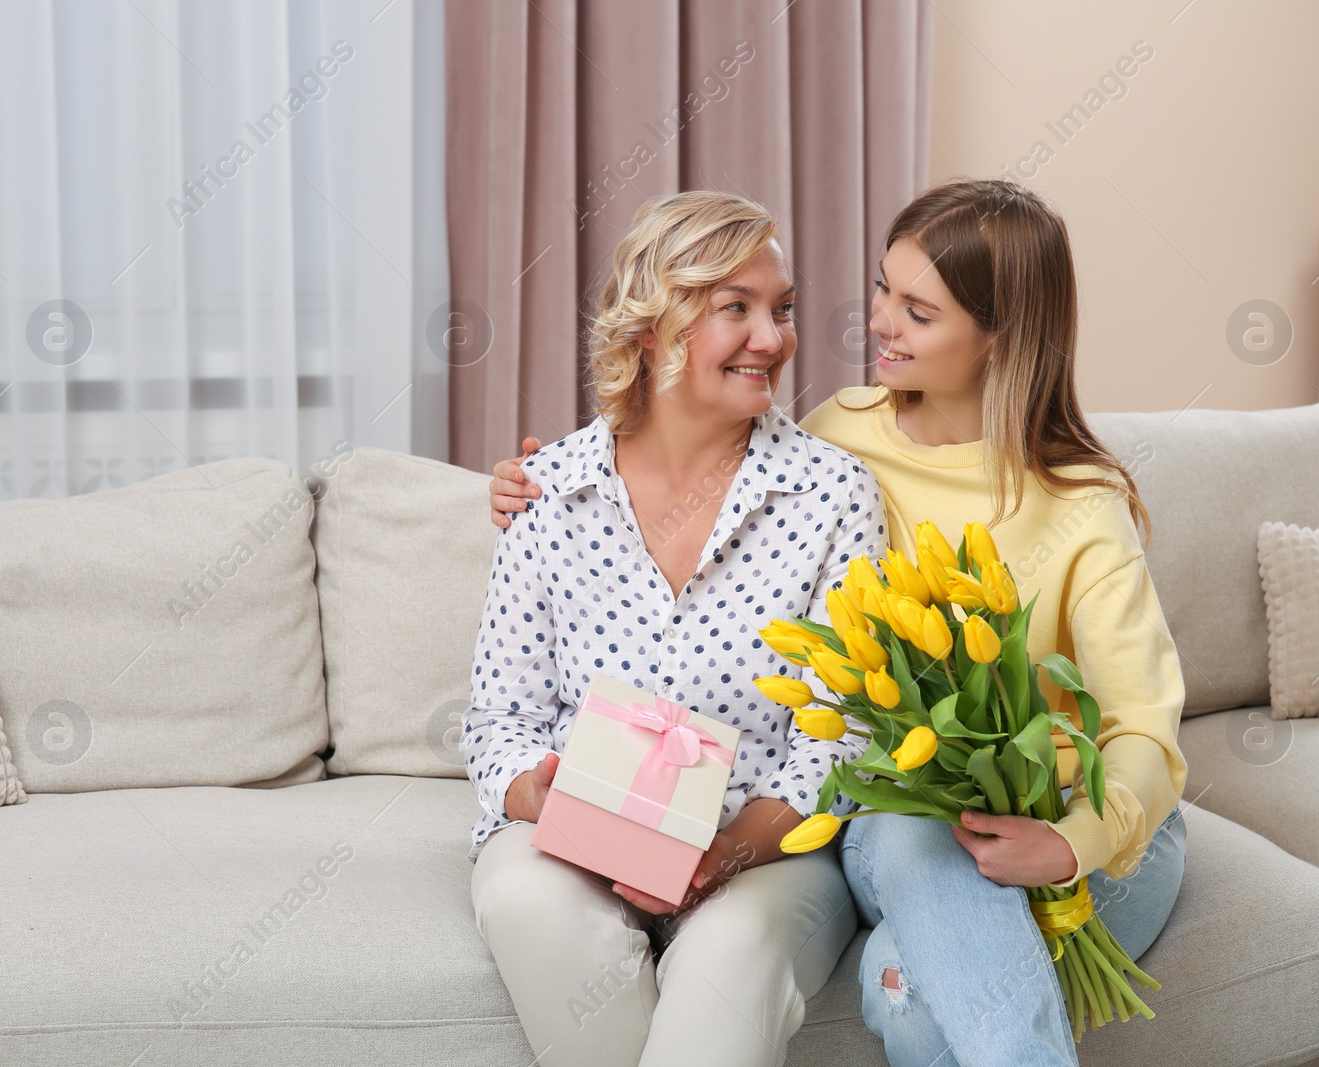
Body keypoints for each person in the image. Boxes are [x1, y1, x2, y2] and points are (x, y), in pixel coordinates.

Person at [485, 177, 1189, 1066]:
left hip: (1079, 820)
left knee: (906, 989)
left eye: (918, 312)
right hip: (922, 822)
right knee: (908, 834)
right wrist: (541, 479)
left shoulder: (1080, 506)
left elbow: (1144, 730)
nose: (880, 324)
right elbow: (683, 440)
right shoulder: (841, 433)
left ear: (996, 339)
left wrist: (1067, 842)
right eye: (883, 290)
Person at [462, 189, 889, 1067]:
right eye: (736, 308)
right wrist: (540, 797)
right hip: (576, 843)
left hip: (768, 850)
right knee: (523, 897)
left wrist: (727, 853)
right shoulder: (550, 491)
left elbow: (843, 736)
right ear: (650, 329)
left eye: (782, 309)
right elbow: (498, 722)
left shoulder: (834, 495)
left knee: (730, 954)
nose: (772, 339)